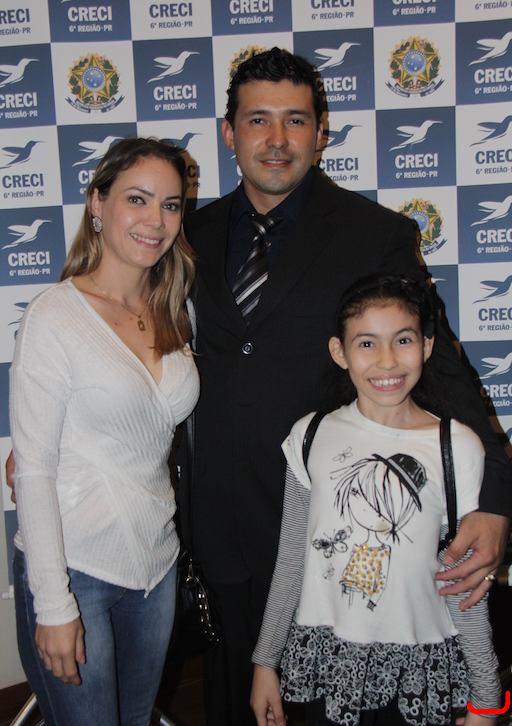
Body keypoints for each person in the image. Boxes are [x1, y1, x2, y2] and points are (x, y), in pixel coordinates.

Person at [181, 47, 511, 726]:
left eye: (296, 120)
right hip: (219, 532)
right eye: (258, 120)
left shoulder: (376, 233)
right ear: (229, 132)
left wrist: (495, 501)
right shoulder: (187, 235)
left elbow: (441, 368)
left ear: (321, 131)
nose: (277, 139)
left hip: (332, 534)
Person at [251, 274, 501, 726]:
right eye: (366, 343)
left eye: (403, 340)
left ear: (427, 345)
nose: (387, 360)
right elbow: (291, 560)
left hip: (420, 669)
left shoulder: (456, 446)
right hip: (329, 667)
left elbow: (464, 583)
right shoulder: (310, 434)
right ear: (339, 352)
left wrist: (487, 700)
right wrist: (265, 661)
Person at [10, 137, 199, 726]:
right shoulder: (54, 315)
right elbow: (33, 470)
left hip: (157, 564)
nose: (156, 220)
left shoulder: (176, 309)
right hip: (76, 567)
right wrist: (53, 602)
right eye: (137, 199)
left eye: (171, 204)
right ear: (98, 203)